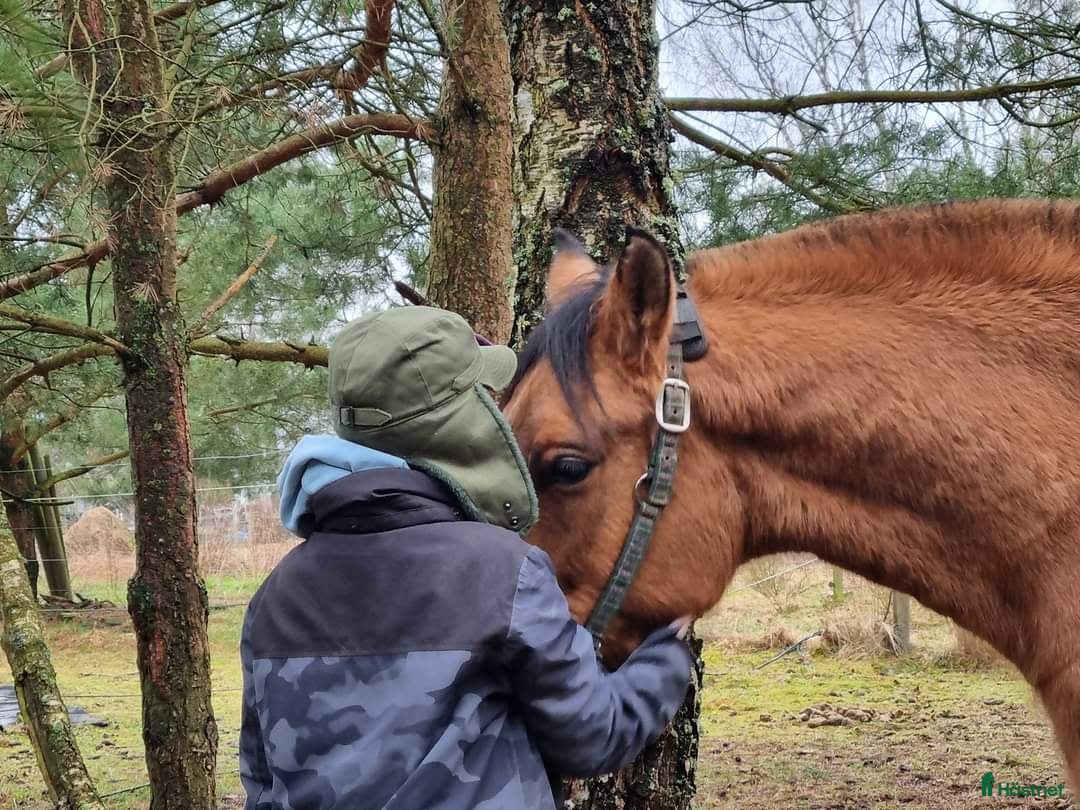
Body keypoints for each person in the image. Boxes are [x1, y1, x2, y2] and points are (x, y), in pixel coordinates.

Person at [238, 306, 693, 810]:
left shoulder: (272, 599)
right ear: (456, 425)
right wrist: (665, 650)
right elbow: (592, 735)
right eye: (483, 395)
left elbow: (262, 783)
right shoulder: (504, 572)